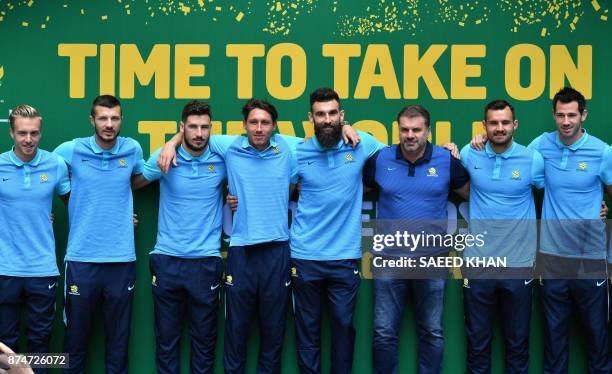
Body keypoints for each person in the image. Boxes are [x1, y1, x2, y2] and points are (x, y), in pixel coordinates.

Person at [157, 98, 359, 374]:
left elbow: (325, 131)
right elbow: (195, 134)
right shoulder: (227, 146)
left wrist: (345, 126)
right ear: (244, 125)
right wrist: (172, 142)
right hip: (241, 252)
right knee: (236, 334)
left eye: (265, 123)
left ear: (274, 126)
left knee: (273, 336)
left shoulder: (290, 147)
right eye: (253, 122)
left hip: (277, 252)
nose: (259, 128)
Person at [471, 87, 611, 373]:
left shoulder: (603, 152)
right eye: (560, 115)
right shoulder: (539, 148)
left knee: (598, 341)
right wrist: (483, 138)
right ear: (554, 115)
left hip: (591, 259)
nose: (566, 121)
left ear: (583, 115)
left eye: (572, 115)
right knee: (554, 343)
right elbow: (506, 149)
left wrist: (604, 208)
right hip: (550, 257)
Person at [364, 105, 469, 374]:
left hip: (431, 261)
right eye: (404, 130)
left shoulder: (447, 161)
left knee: (433, 333)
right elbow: (348, 189)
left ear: (428, 131)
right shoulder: (380, 160)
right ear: (397, 130)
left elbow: (477, 195)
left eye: (416, 130)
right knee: (383, 333)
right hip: (388, 260)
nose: (410, 135)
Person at [289, 88, 385, 374]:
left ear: (341, 116)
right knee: (307, 332)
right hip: (304, 256)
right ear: (311, 118)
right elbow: (282, 190)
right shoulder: (298, 152)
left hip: (344, 258)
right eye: (321, 114)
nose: (327, 119)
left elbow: (400, 157)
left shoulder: (362, 143)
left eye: (333, 113)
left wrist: (451, 150)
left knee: (343, 330)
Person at [131, 101, 225, 374]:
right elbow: (132, 184)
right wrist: (169, 145)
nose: (199, 133)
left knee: (204, 345)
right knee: (167, 344)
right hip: (167, 261)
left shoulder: (222, 158)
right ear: (182, 127)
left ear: (211, 129)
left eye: (204, 127)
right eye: (192, 127)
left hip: (206, 262)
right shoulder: (163, 158)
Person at [54, 95, 144, 374]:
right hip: (82, 261)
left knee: (118, 343)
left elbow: (137, 179)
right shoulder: (70, 150)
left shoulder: (132, 149)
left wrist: (119, 208)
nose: (108, 124)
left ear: (121, 120)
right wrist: (77, 203)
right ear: (92, 120)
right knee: (75, 341)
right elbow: (49, 173)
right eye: (102, 118)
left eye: (114, 118)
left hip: (121, 261)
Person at [458, 99, 544, 373]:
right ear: (484, 126)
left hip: (518, 265)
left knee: (517, 345)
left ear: (515, 125)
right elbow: (460, 185)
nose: (499, 128)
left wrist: (596, 208)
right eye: (493, 123)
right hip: (478, 265)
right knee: (477, 345)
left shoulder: (533, 159)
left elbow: (553, 193)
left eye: (505, 122)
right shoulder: (469, 154)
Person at [0, 105, 70, 374]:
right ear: (11, 133)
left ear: (41, 132)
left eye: (34, 133)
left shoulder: (56, 164)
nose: (28, 139)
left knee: (40, 343)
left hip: (42, 269)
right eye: (22, 133)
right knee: (6, 342)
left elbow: (74, 203)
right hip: (5, 269)